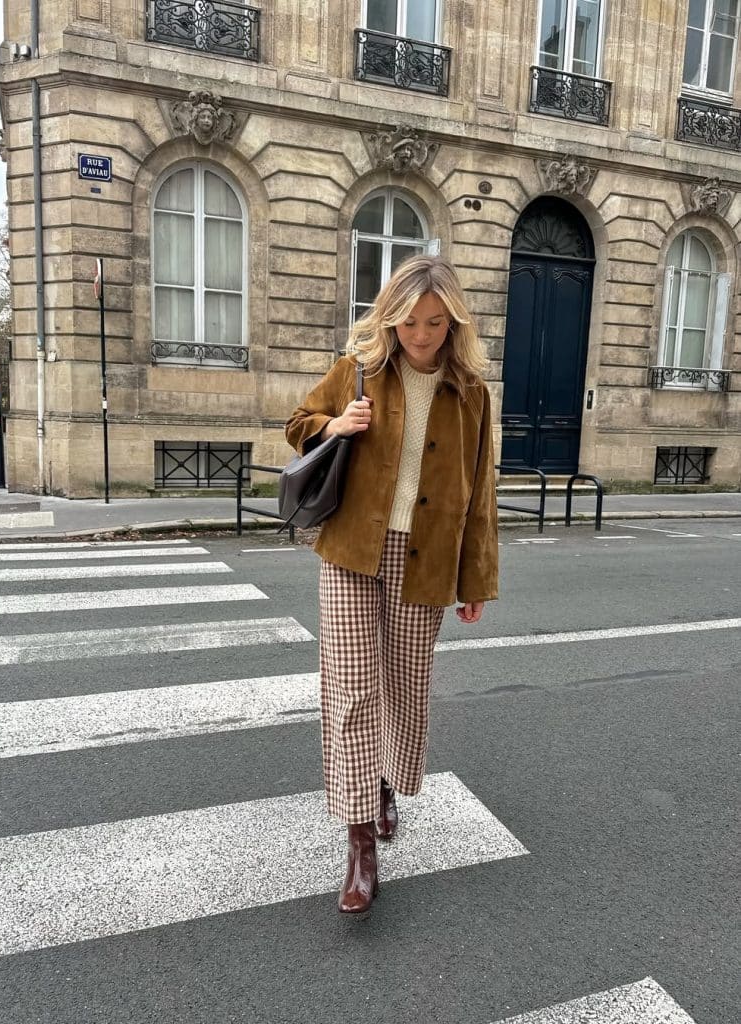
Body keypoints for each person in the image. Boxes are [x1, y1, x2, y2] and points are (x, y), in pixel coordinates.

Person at [285, 254, 499, 914]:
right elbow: (298, 424)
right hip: (352, 549)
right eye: (409, 322)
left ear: (453, 322)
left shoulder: (471, 392)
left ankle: (381, 783)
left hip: (427, 558)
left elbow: (480, 491)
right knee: (350, 691)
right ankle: (358, 845)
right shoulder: (360, 371)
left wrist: (475, 578)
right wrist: (334, 424)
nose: (421, 335)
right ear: (390, 317)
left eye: (435, 323)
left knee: (403, 688)